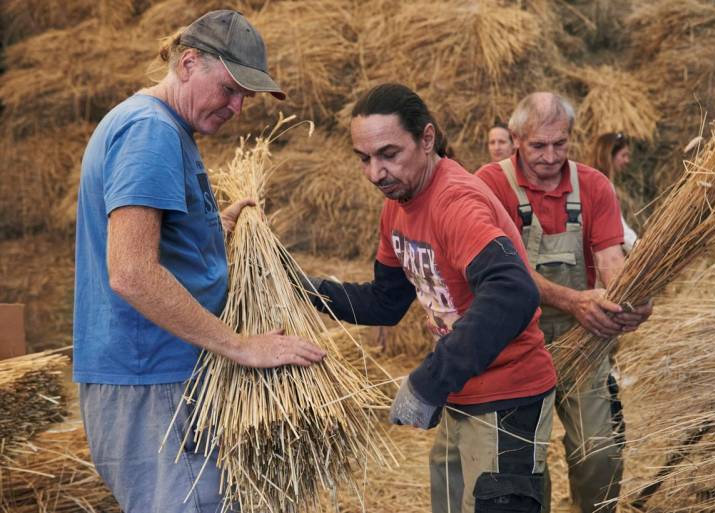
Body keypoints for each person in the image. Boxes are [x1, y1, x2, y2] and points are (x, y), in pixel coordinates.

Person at [72, 10, 325, 513]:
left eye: (245, 97)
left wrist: (211, 229)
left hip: (165, 375)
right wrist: (241, 346)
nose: (237, 107)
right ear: (188, 63)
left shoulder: (165, 128)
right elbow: (131, 272)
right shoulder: (150, 132)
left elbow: (153, 241)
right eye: (229, 89)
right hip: (154, 379)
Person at [302, 83, 557, 513]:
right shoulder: (398, 205)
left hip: (506, 399)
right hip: (460, 392)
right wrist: (304, 287)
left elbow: (513, 291)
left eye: (389, 154)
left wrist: (427, 382)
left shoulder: (454, 202)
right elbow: (385, 301)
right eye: (364, 158)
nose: (375, 173)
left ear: (426, 139)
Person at [475, 92, 653, 513]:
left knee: (600, 454)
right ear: (516, 137)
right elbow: (505, 271)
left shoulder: (593, 185)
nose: (551, 156)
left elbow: (610, 261)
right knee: (525, 464)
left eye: (561, 143)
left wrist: (629, 298)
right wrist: (574, 300)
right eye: (539, 145)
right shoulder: (488, 184)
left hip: (583, 336)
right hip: (516, 341)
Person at [590, 132, 638, 252]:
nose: (627, 160)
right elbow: (618, 229)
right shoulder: (602, 187)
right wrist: (639, 247)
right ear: (609, 155)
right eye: (623, 155)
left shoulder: (594, 182)